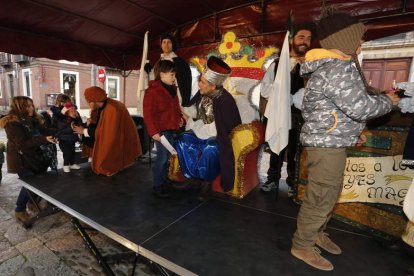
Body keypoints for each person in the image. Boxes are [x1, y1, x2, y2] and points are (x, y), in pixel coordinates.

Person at [290, 9, 400, 271]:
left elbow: (339, 110)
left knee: (328, 195)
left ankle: (315, 232)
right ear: (345, 40)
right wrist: (388, 101)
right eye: (357, 39)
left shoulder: (337, 66)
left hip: (330, 142)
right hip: (326, 146)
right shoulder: (338, 69)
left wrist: (353, 131)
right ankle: (302, 245)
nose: (360, 44)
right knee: (321, 197)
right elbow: (360, 108)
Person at [175, 56, 242, 200]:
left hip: (217, 139)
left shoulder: (225, 100)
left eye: (202, 82)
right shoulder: (203, 94)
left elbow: (217, 130)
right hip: (201, 133)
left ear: (213, 86)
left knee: (210, 147)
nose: (199, 84)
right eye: (200, 80)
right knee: (182, 139)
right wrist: (186, 116)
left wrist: (193, 124)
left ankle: (206, 183)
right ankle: (192, 178)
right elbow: (196, 114)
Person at [260, 23, 315, 197]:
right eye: (301, 37)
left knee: (295, 152)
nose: (304, 41)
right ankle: (272, 180)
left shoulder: (313, 64)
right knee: (275, 148)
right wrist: (278, 91)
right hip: (277, 114)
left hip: (298, 117)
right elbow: (264, 88)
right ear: (292, 40)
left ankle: (293, 182)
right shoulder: (276, 64)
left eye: (308, 38)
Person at [0, 96, 57, 223]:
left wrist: (63, 131)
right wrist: (43, 139)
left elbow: (45, 130)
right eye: (28, 106)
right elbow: (22, 144)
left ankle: (32, 203)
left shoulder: (32, 119)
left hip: (36, 157)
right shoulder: (12, 123)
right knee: (30, 185)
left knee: (38, 182)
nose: (32, 108)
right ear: (20, 107)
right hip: (22, 160)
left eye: (32, 105)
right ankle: (19, 210)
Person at [73, 86, 142, 176]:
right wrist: (91, 122)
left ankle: (108, 166)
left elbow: (107, 133)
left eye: (88, 101)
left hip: (119, 137)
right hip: (117, 134)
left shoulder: (112, 109)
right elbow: (102, 124)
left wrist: (84, 131)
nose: (88, 103)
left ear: (94, 101)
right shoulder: (106, 104)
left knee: (106, 162)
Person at [143, 60, 183, 198]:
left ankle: (165, 180)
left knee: (167, 158)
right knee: (161, 158)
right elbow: (147, 113)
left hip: (171, 129)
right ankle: (157, 185)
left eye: (174, 75)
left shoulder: (173, 89)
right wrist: (153, 132)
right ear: (162, 74)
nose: (174, 77)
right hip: (161, 131)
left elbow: (176, 108)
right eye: (172, 74)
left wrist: (180, 119)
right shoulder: (152, 91)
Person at [158, 32, 192, 107]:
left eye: (169, 42)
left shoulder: (180, 62)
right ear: (161, 45)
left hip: (175, 98)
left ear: (172, 44)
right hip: (160, 99)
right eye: (164, 42)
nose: (166, 45)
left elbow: (186, 82)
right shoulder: (158, 62)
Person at [55, 102, 82, 173]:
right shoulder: (63, 121)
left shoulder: (75, 119)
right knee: (67, 153)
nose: (74, 112)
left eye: (75, 111)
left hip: (71, 140)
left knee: (72, 152)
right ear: (67, 113)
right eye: (72, 111)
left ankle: (72, 164)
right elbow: (61, 130)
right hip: (64, 140)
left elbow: (79, 127)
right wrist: (71, 128)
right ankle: (66, 165)